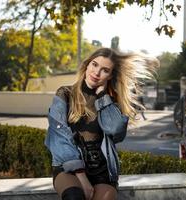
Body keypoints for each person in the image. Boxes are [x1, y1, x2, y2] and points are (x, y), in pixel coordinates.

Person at [45, 48, 159, 200]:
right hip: (68, 168)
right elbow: (58, 138)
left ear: (110, 75)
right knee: (74, 196)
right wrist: (81, 176)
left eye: (105, 70)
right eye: (94, 64)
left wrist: (102, 96)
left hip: (102, 171)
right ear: (87, 65)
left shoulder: (110, 103)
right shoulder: (65, 94)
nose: (96, 73)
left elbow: (116, 131)